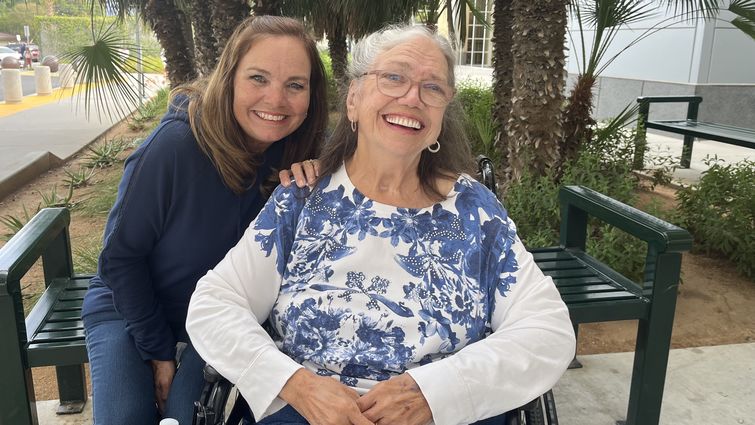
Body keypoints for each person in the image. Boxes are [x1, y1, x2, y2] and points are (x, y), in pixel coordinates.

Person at [186, 24, 576, 425]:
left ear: (443, 113)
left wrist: (435, 392)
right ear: (354, 99)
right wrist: (296, 384)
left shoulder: (475, 211)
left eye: (433, 88)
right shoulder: (303, 198)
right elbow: (216, 304)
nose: (412, 97)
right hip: (305, 412)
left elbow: (547, 329)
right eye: (394, 77)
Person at [81, 15, 328, 425]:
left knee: (191, 417)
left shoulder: (300, 156)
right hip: (133, 305)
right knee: (124, 418)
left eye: (295, 85)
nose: (276, 100)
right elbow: (121, 259)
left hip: (223, 315)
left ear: (311, 94)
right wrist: (159, 352)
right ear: (228, 78)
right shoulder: (173, 149)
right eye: (258, 79)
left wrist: (320, 174)